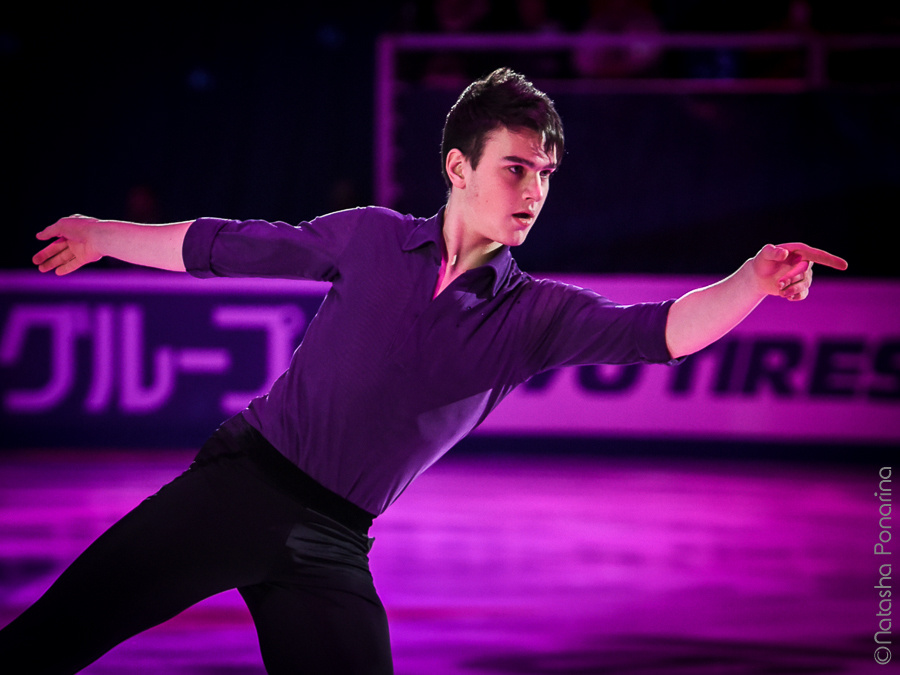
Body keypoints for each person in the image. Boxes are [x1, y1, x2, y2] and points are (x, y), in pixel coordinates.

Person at [0, 68, 847, 674]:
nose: (535, 189)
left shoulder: (533, 315)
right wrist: (105, 233)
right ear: (458, 169)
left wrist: (750, 281)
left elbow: (661, 332)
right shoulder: (370, 238)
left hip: (334, 543)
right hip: (236, 489)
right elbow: (227, 243)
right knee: (50, 642)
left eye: (546, 173)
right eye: (516, 167)